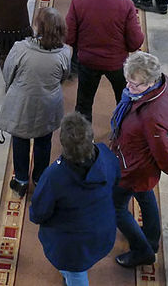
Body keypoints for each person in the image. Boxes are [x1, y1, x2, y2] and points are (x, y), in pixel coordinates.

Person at [29, 112, 119, 286]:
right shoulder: (106, 157)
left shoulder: (54, 176)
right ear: (91, 138)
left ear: (63, 145)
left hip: (71, 247)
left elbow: (38, 212)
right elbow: (116, 182)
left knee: (75, 275)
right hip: (103, 232)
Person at [110, 50, 168, 268]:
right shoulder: (162, 83)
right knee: (144, 194)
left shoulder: (152, 116)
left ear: (150, 82)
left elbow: (165, 153)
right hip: (138, 162)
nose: (129, 88)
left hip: (133, 167)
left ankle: (143, 252)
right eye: (128, 82)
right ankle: (151, 240)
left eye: (135, 85)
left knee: (115, 207)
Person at [0, 7, 72, 197]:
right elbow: (64, 77)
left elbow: (8, 74)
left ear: (38, 28)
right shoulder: (66, 52)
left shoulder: (20, 48)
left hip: (22, 103)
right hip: (48, 104)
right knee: (43, 141)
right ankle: (39, 178)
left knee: (20, 140)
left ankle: (21, 180)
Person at [66, 0, 144, 121]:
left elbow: (68, 36)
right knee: (124, 103)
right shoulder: (126, 4)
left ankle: (83, 142)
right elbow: (136, 42)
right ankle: (122, 137)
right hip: (116, 63)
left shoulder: (78, 2)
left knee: (83, 106)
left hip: (87, 62)